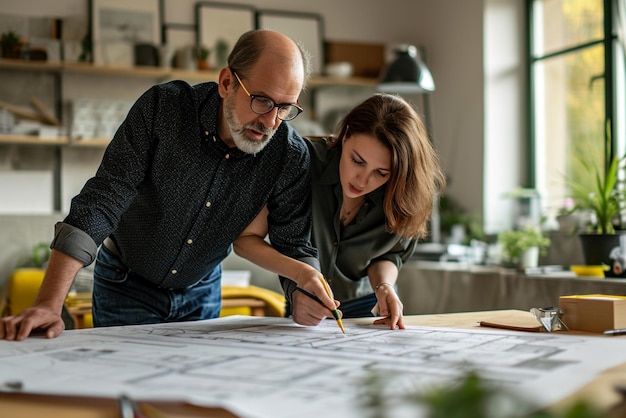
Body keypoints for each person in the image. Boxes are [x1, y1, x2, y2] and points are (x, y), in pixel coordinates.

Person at [0, 29, 339, 341]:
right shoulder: (164, 108)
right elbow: (104, 199)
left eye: (284, 108)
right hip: (125, 284)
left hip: (202, 291)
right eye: (262, 100)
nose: (269, 121)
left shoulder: (289, 155)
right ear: (226, 83)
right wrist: (48, 303)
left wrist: (301, 294)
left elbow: (294, 242)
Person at [234, 93, 446, 329]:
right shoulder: (299, 163)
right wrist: (301, 277)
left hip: (368, 305)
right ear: (345, 136)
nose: (363, 181)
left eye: (381, 173)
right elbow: (245, 240)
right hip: (303, 299)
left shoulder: (402, 193)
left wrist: (384, 286)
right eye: (357, 161)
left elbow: (388, 254)